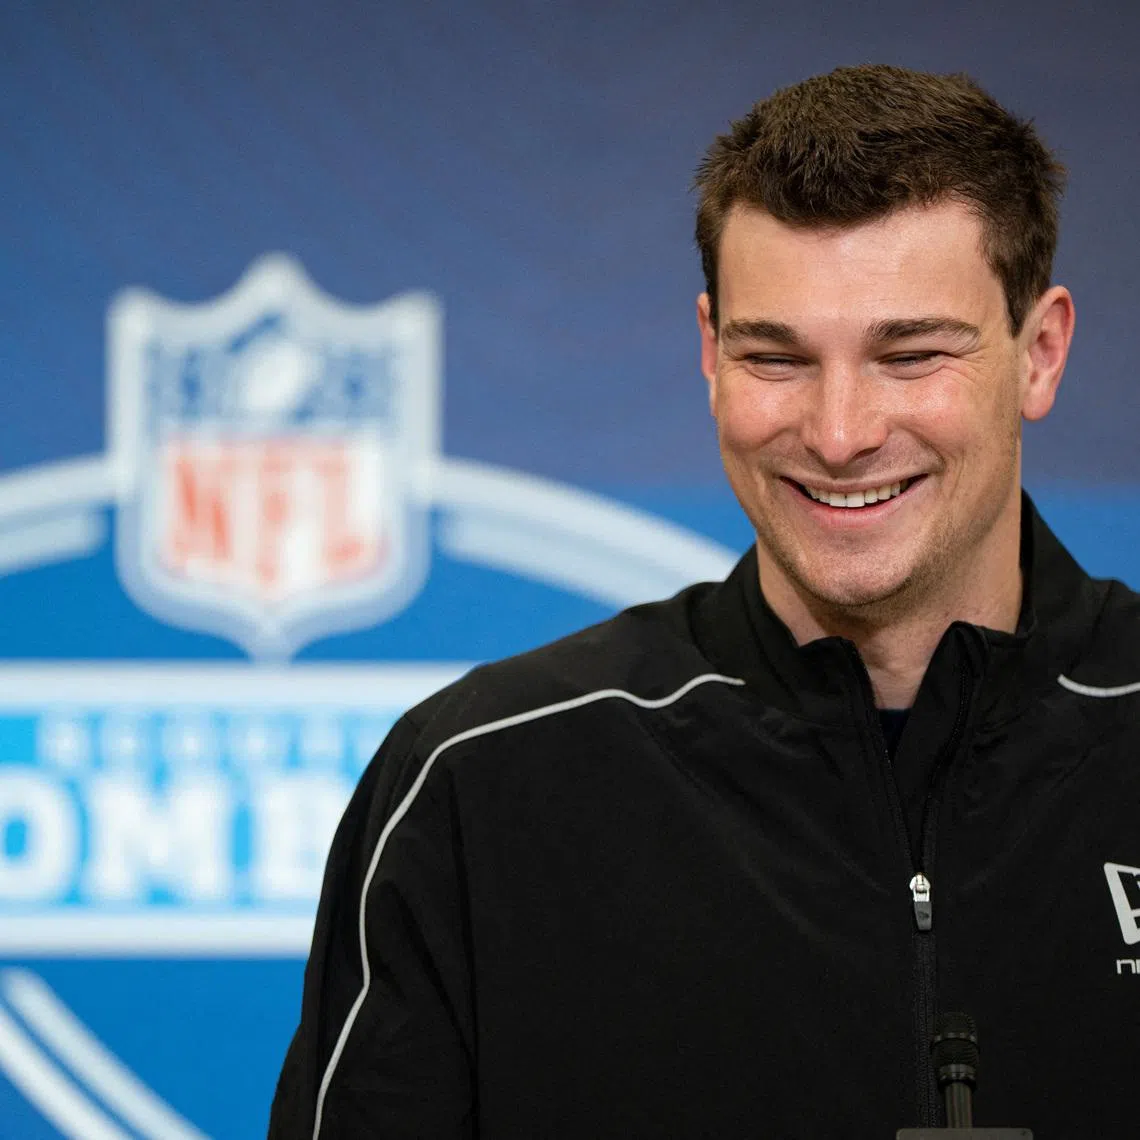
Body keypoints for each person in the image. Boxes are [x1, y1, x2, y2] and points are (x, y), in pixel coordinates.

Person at [270, 65, 1140, 1138]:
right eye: (774, 357)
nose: (837, 431)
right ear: (708, 352)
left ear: (1040, 354)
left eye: (910, 356)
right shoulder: (479, 785)